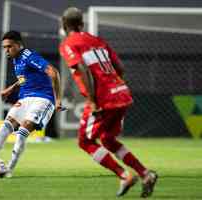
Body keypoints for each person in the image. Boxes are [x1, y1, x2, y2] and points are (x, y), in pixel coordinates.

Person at [59, 7, 158, 198]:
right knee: (107, 139)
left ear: (64, 25)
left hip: (103, 99)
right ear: (82, 24)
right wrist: (114, 85)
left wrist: (93, 102)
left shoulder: (68, 43)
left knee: (85, 141)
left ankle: (124, 176)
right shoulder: (97, 41)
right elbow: (120, 67)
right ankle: (145, 174)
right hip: (121, 93)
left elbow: (82, 69)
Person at [0, 30, 62, 177]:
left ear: (18, 45)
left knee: (22, 131)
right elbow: (25, 78)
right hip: (24, 99)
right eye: (4, 47)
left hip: (42, 99)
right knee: (5, 126)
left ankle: (8, 169)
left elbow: (53, 72)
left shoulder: (29, 56)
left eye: (9, 47)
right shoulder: (16, 59)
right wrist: (10, 89)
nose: (6, 50)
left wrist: (58, 100)